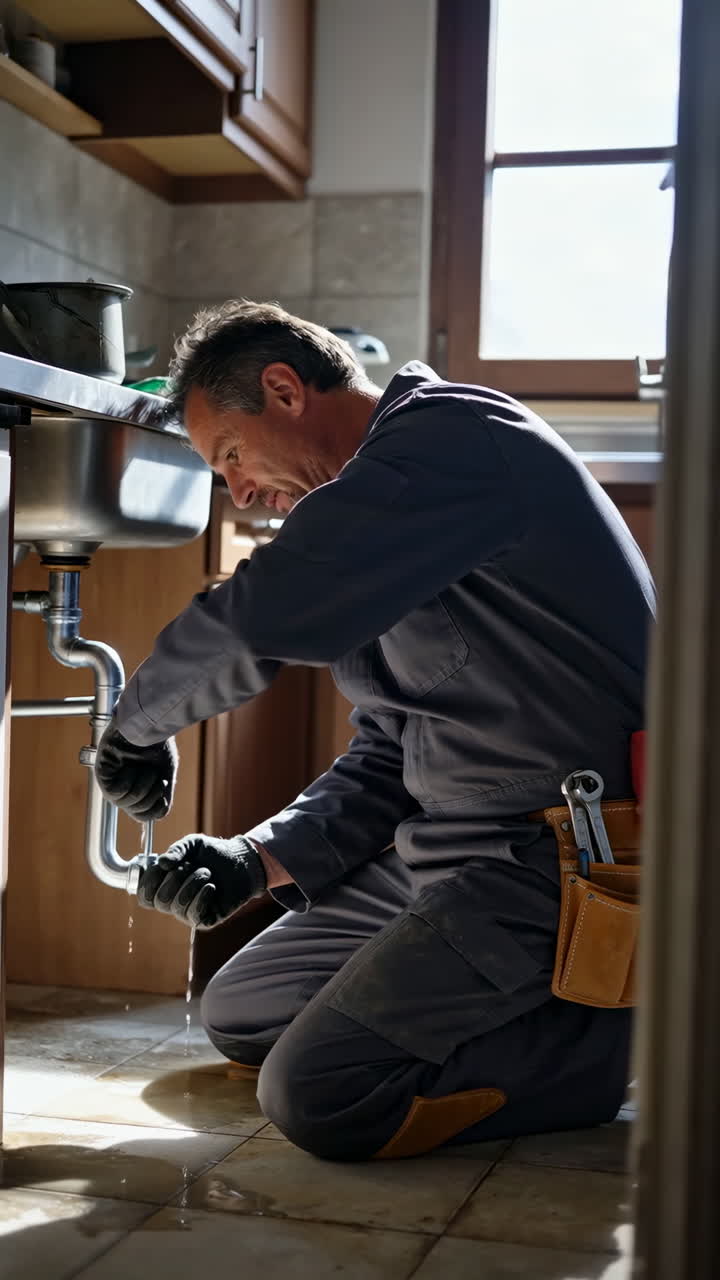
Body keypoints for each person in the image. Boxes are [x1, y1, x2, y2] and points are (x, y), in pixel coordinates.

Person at [95, 300, 655, 1162]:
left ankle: (611, 1047)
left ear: (284, 389)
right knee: (242, 1012)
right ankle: (510, 1009)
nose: (239, 492)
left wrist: (133, 727)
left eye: (232, 457)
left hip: (558, 863)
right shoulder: (385, 519)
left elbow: (264, 614)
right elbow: (391, 752)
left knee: (322, 1095)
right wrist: (256, 857)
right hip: (450, 854)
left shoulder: (454, 440)